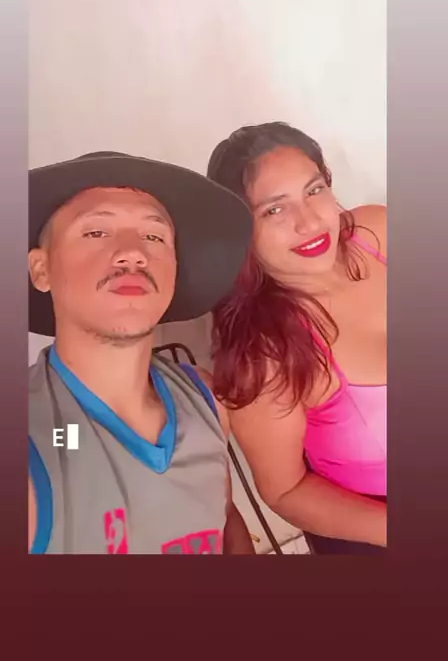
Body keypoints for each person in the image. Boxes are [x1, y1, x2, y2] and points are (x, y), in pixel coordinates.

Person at [28, 150, 255, 554]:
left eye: (154, 236)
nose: (133, 252)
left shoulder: (205, 401)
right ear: (41, 269)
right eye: (96, 232)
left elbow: (225, 519)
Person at [206, 122, 387, 554]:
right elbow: (284, 490)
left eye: (314, 190)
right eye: (274, 210)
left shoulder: (377, 232)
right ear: (240, 230)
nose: (308, 222)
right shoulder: (263, 356)